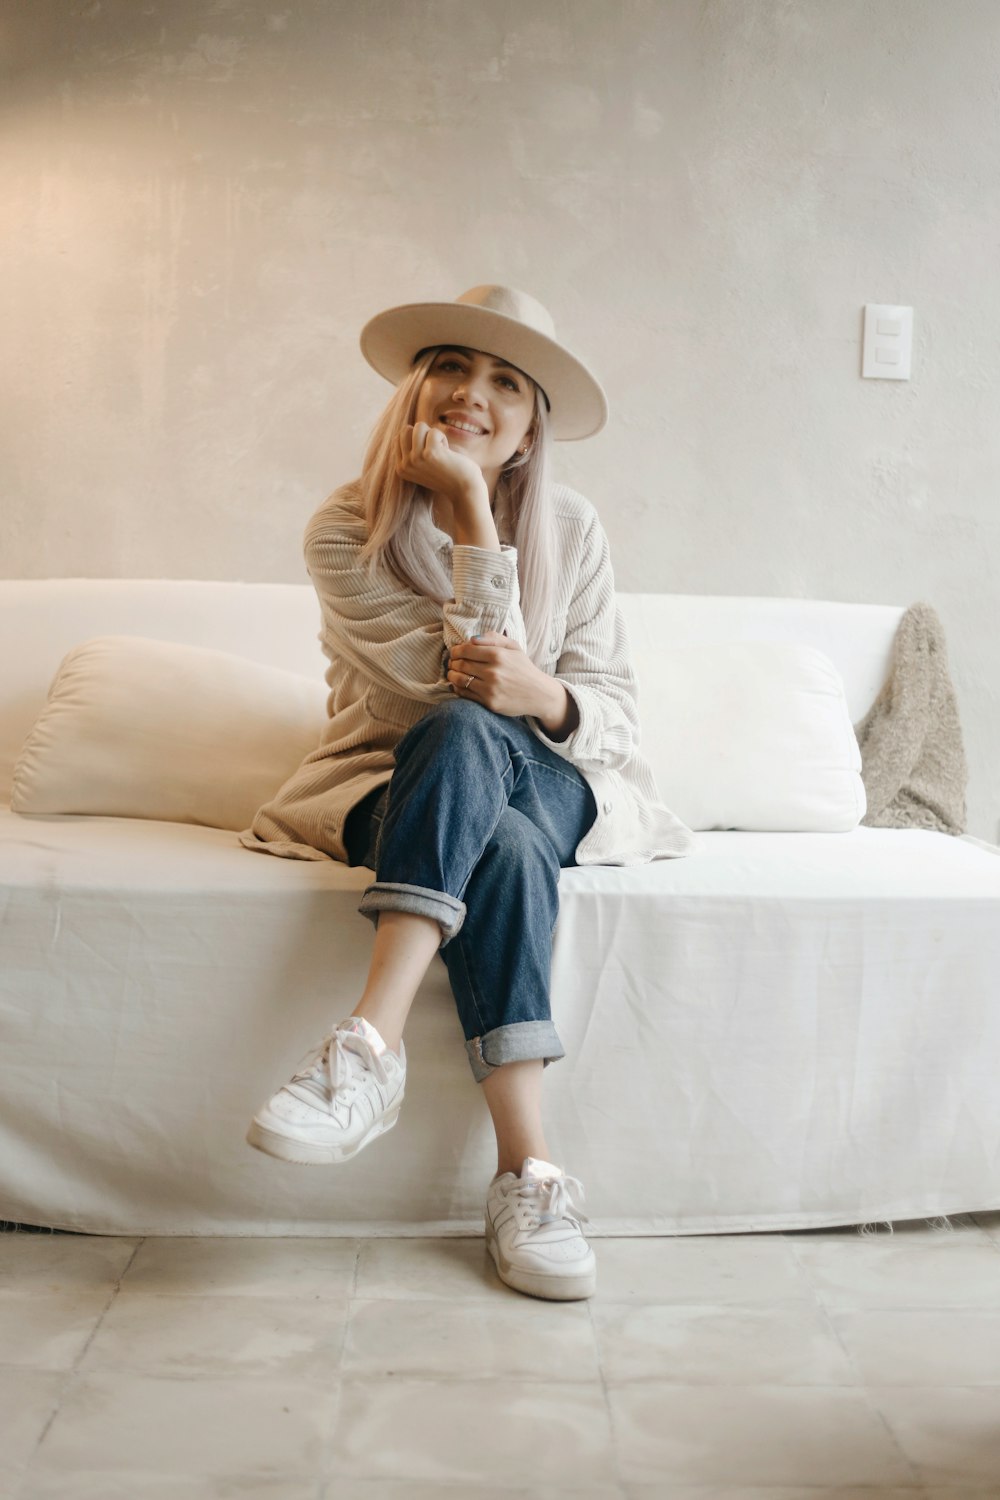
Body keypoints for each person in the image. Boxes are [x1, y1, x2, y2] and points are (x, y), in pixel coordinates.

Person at [240, 284, 694, 1301]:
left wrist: (552, 696)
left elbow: (607, 708)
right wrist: (470, 515)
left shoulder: (574, 529)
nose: (472, 393)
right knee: (495, 814)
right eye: (453, 366)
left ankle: (366, 1045)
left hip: (549, 771)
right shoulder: (342, 529)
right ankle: (528, 1176)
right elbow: (450, 684)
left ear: (531, 428)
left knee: (485, 742)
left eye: (505, 382)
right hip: (391, 781)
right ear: (417, 386)